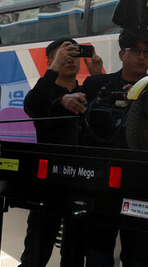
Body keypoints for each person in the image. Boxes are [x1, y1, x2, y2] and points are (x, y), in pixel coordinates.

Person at [82, 32, 148, 267]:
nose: (141, 57)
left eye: (147, 53)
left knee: (139, 255)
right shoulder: (97, 85)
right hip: (102, 183)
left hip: (142, 185)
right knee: (98, 251)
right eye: (135, 51)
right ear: (121, 54)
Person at [20, 37, 103, 267]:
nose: (70, 59)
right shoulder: (43, 92)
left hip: (81, 183)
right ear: (51, 60)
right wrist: (54, 69)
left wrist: (95, 73)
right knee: (35, 256)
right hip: (47, 187)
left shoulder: (85, 91)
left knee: (74, 256)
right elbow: (33, 105)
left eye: (75, 54)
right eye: (64, 54)